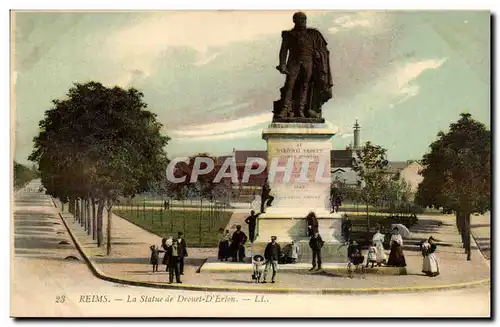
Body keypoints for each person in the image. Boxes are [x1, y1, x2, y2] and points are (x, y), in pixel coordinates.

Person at [275, 11, 333, 119]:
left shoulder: (312, 34)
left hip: (308, 63)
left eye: (304, 19)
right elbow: (283, 50)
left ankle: (300, 111)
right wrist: (282, 64)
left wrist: (318, 54)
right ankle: (285, 109)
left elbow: (323, 50)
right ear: (294, 21)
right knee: (289, 85)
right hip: (293, 63)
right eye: (300, 20)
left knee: (305, 86)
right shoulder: (289, 35)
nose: (303, 22)